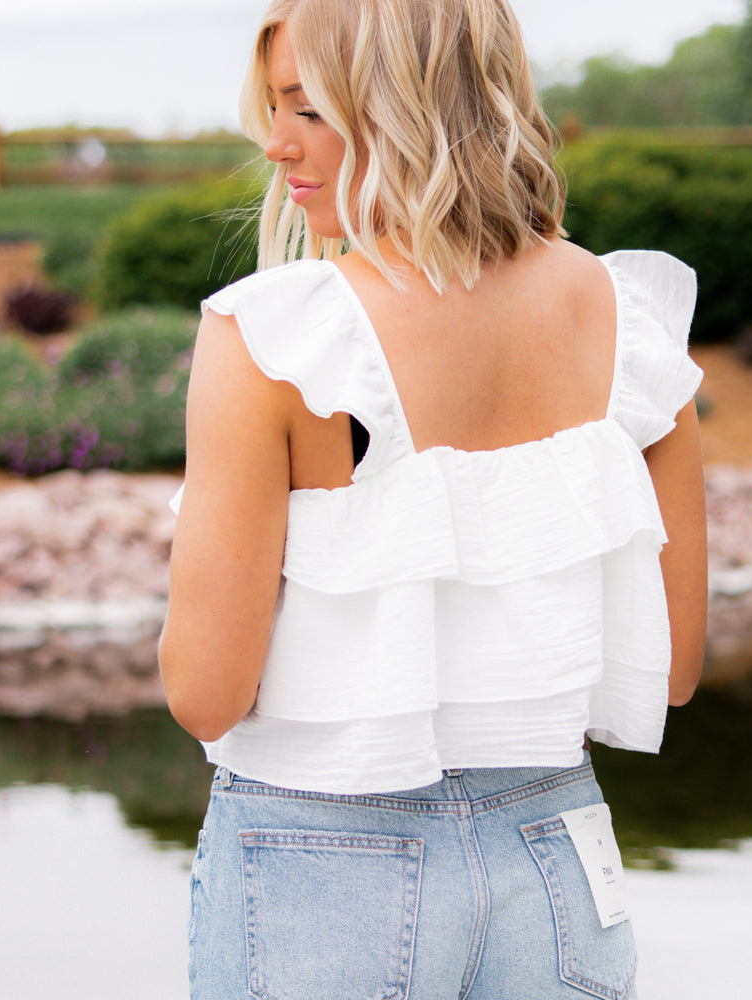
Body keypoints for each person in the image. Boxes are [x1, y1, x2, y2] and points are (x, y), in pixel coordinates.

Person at [158, 0, 707, 996]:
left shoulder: (276, 338)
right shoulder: (631, 322)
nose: (275, 144)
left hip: (316, 856)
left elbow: (206, 689)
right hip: (555, 854)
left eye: (308, 109)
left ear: (409, 108)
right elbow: (670, 671)